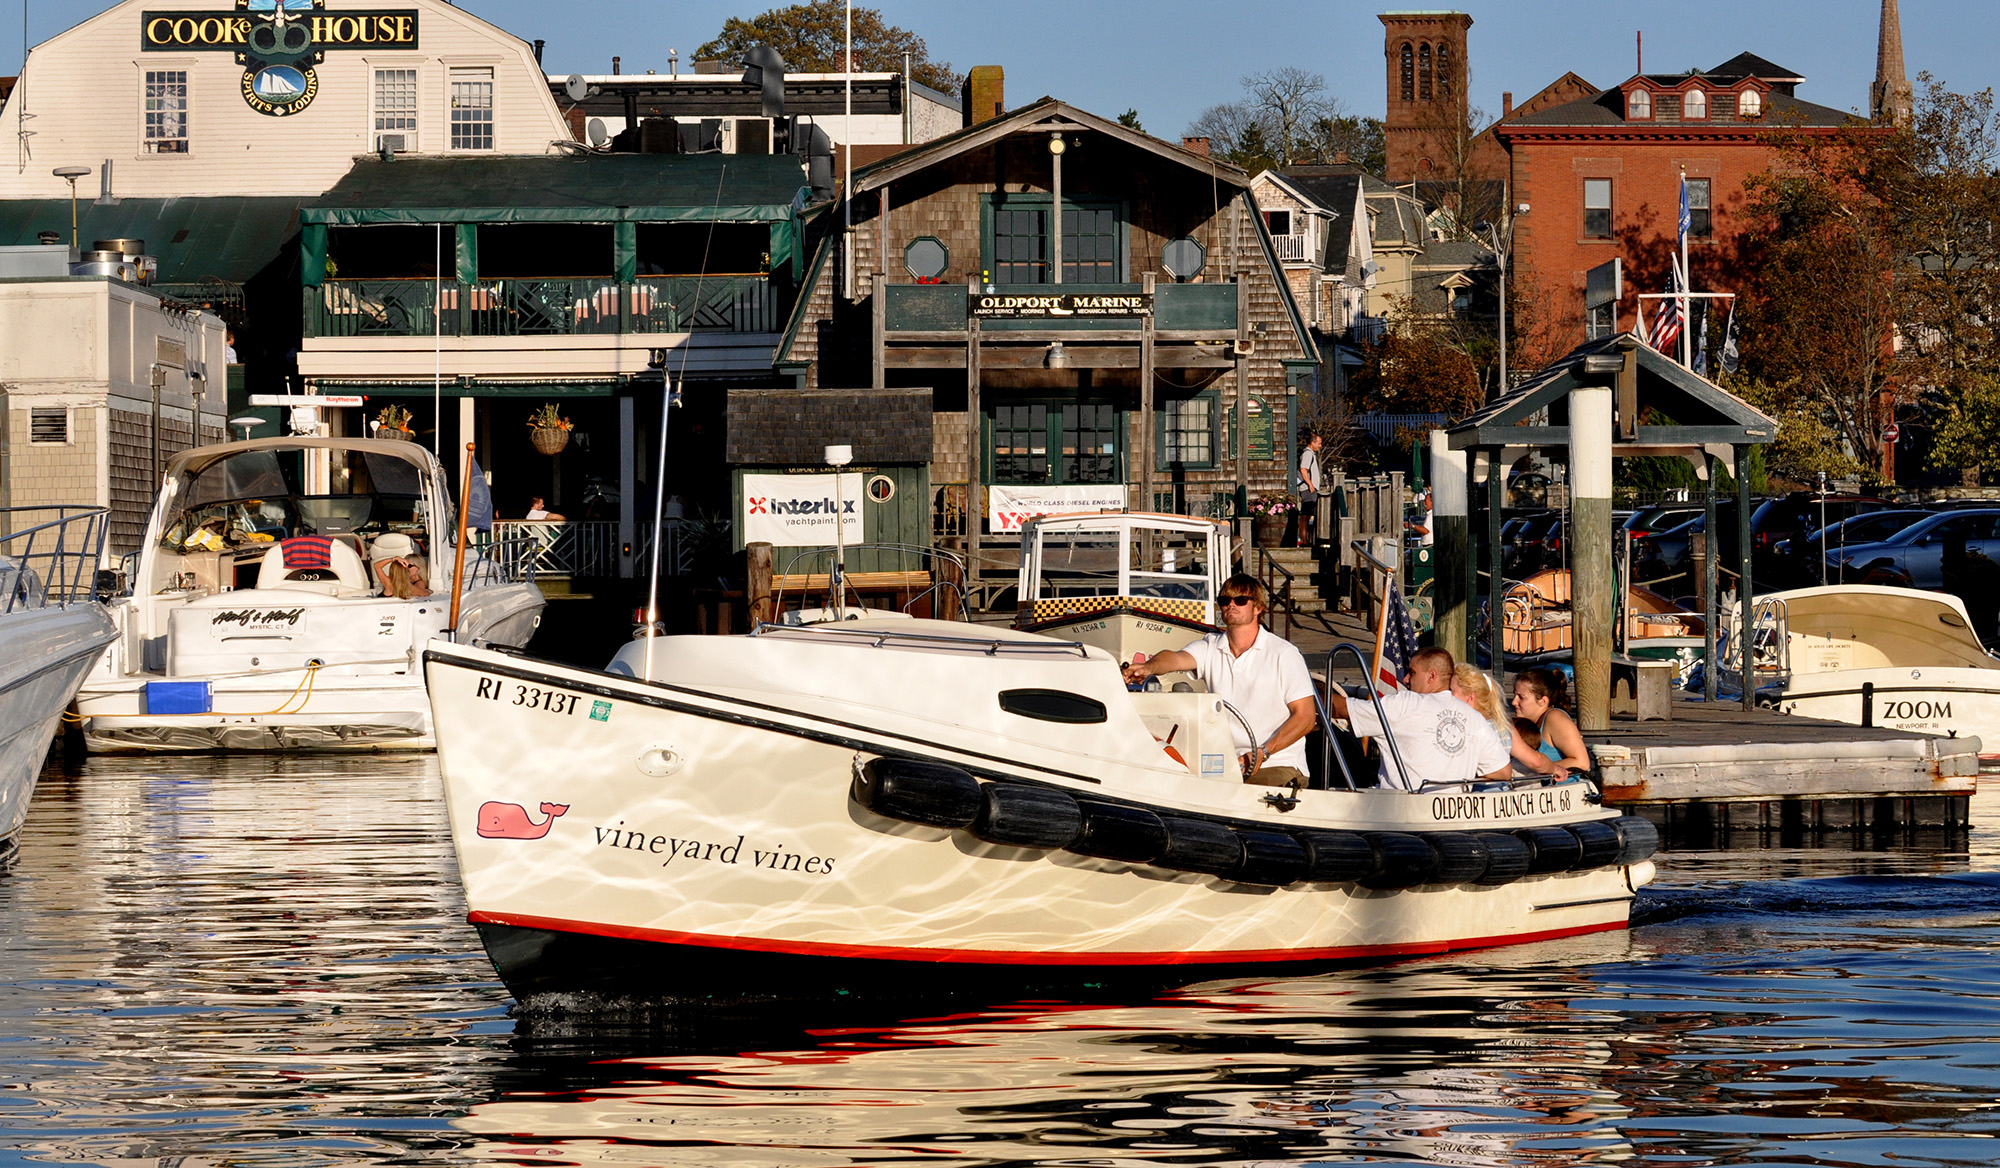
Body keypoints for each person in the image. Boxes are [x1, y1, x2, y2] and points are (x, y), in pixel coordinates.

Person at [1121, 574, 1317, 787]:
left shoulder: (1284, 654)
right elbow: (1174, 658)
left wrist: (1263, 752)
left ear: (1258, 608)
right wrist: (1149, 667)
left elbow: (1306, 717)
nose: (1231, 605)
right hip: (1225, 764)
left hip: (1277, 764)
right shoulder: (1211, 646)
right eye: (1225, 600)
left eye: (1240, 600)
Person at [1326, 647, 1511, 791]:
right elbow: (1503, 772)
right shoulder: (1475, 718)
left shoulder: (1405, 704)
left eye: (1412, 672)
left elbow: (1341, 709)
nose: (1405, 679)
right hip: (1452, 817)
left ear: (1432, 676)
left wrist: (1303, 695)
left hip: (1397, 814)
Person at [1452, 663, 1564, 777]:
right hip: (1501, 790)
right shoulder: (1503, 727)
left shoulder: (1467, 727)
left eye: (1451, 692)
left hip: (1475, 791)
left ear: (1471, 697)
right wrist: (1555, 769)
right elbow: (1536, 762)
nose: (1445, 696)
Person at [1511, 666, 1592, 776]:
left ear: (1543, 701)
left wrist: (1542, 767)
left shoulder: (1555, 718)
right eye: (1514, 695)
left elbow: (1582, 763)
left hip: (1562, 789)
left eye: (1521, 697)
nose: (1514, 702)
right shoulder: (1526, 723)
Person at [369, 532, 430, 599]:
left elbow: (377, 566)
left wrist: (394, 558)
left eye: (409, 566)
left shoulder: (388, 583)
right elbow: (425, 594)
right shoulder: (409, 587)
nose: (407, 568)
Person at [1296, 432, 1323, 548]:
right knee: (1306, 515)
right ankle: (1304, 541)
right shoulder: (1307, 454)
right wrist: (1311, 485)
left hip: (1309, 488)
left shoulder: (1311, 454)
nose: (1320, 446)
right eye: (1319, 443)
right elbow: (1303, 470)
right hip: (1307, 489)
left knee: (1307, 515)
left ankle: (1305, 539)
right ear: (1312, 443)